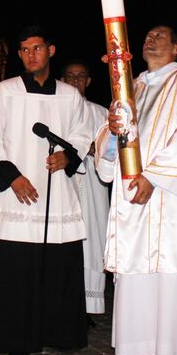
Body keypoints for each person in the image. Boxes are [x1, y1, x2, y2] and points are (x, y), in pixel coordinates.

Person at [95, 25, 177, 355]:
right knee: (142, 298)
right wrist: (110, 132)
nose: (150, 39)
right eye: (148, 35)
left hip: (171, 205)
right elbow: (111, 143)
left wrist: (153, 176)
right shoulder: (130, 87)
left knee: (172, 287)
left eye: (160, 36)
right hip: (136, 210)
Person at [0, 25, 91, 355]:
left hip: (56, 196)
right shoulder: (4, 91)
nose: (30, 55)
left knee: (57, 270)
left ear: (51, 51)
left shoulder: (70, 96)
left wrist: (67, 156)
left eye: (37, 48)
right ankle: (19, 342)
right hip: (16, 196)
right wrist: (12, 177)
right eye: (24, 50)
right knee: (16, 275)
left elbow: (82, 135)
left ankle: (58, 334)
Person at [61, 59, 110, 327]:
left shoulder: (101, 113)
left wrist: (97, 151)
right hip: (63, 186)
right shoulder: (54, 109)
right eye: (70, 76)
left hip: (93, 186)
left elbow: (115, 149)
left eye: (81, 77)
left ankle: (88, 306)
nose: (75, 81)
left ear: (88, 81)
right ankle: (65, 303)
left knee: (91, 242)